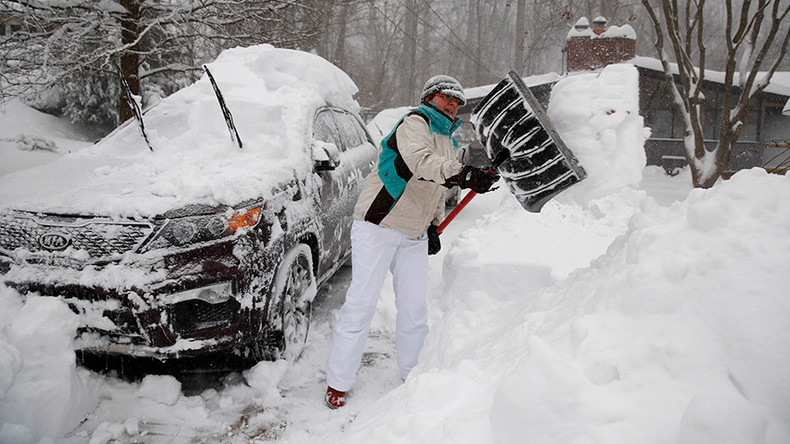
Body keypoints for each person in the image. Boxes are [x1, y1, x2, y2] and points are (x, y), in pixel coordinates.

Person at [323, 75, 499, 409]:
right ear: (430, 97)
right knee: (361, 304)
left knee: (415, 307)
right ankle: (338, 381)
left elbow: (434, 190)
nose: (453, 104)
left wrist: (433, 225)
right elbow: (422, 163)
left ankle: (412, 371)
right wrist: (463, 173)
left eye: (457, 102)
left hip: (413, 234)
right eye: (447, 97)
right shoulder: (414, 123)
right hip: (380, 225)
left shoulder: (447, 139)